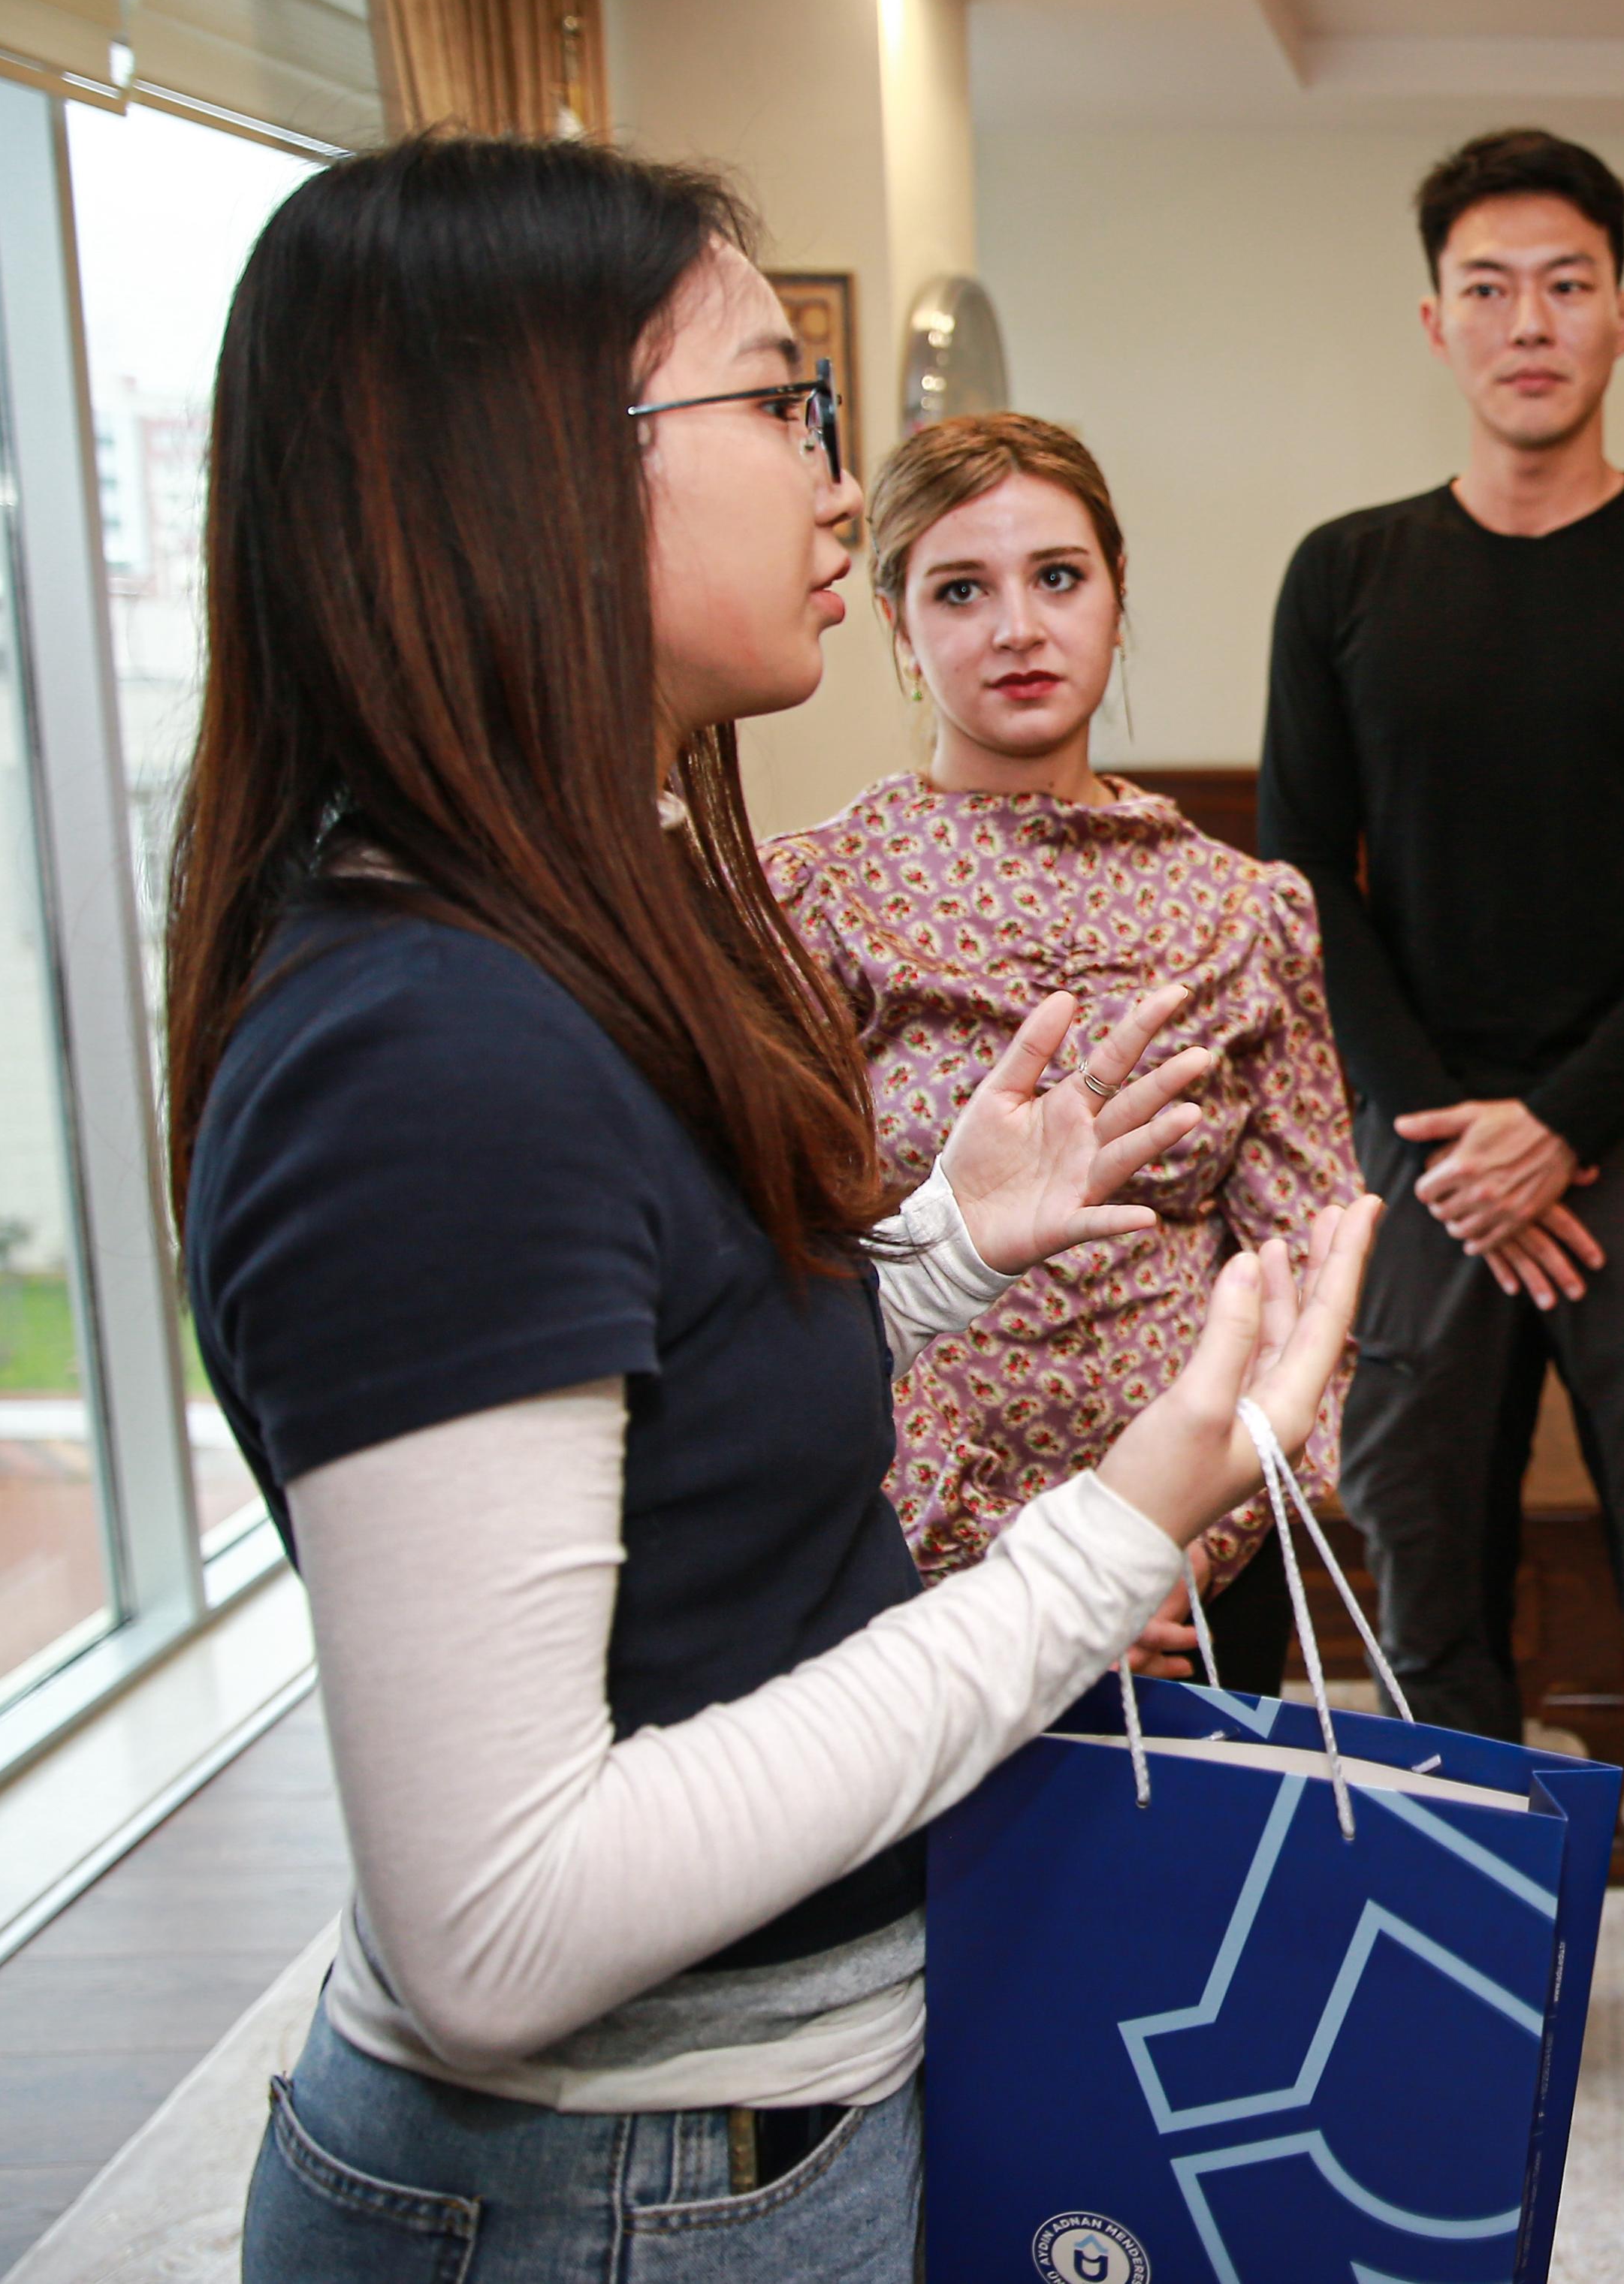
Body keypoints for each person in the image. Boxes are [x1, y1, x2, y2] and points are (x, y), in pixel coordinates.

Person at [169, 134, 1378, 2259]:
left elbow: (668, 1400)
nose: (838, 491)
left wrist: (938, 1255)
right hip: (626, 2179)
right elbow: (499, 1924)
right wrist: (1106, 1539)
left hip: (747, 2118)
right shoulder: (428, 1054)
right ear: (538, 466)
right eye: (777, 402)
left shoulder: (564, 948)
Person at [1257, 127, 1624, 2178]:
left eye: (1565, 282)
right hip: (1420, 1151)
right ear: (1435, 320)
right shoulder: (1347, 571)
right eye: (1488, 285)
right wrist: (1450, 1146)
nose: (1528, 321)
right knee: (1428, 1574)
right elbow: (1304, 875)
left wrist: (1563, 1123)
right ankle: (1465, 1958)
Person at [768, 411, 1362, 1691]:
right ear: (896, 623)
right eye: (960, 589)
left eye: (1057, 576)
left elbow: (1304, 1256)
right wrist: (1012, 1561)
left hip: (1200, 1560)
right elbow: (787, 1270)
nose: (1018, 627)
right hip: (908, 1565)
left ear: (1117, 592)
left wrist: (1179, 1541)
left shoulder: (1242, 910)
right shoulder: (818, 901)